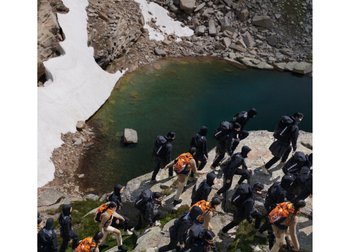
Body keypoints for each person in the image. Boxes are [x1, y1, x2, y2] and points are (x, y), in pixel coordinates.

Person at [258, 174, 295, 249]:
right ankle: (270, 242)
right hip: (272, 208)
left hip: (268, 203)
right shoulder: (282, 193)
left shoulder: (277, 184)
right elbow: (280, 206)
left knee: (269, 220)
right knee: (271, 224)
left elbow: (270, 191)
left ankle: (261, 229)